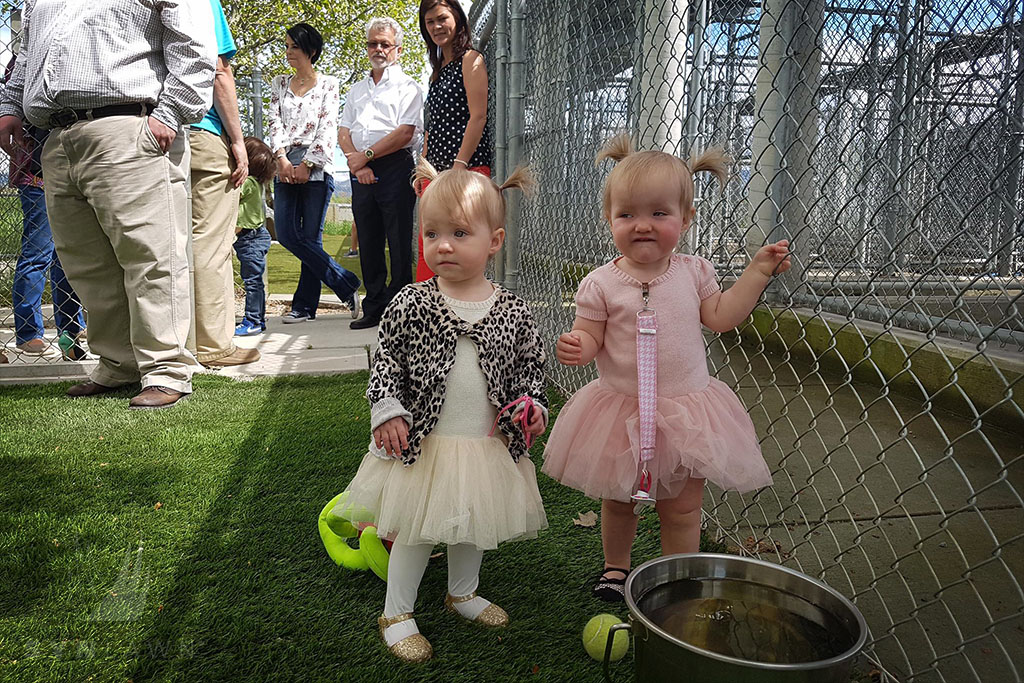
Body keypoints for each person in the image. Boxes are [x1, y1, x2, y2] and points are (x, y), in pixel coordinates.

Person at [542, 134, 790, 601]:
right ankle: (616, 569)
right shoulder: (600, 283)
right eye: (627, 215)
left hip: (685, 414)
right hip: (620, 413)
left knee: (682, 508)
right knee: (619, 503)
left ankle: (680, 574)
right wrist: (579, 344)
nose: (643, 226)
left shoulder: (695, 272)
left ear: (686, 218)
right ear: (608, 219)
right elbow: (591, 335)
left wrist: (755, 274)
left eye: (659, 214)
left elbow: (721, 317)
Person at [340, 159, 547, 663]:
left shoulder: (513, 310)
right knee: (414, 528)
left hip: (484, 445)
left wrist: (532, 404)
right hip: (423, 444)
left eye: (459, 232)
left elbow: (530, 365)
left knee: (473, 519)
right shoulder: (411, 302)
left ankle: (463, 592)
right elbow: (387, 359)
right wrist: (387, 409)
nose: (444, 245)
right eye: (432, 233)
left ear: (494, 241)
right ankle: (397, 611)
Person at [0, 1, 216, 409]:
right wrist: (9, 107)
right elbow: (26, 55)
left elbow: (193, 45)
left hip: (131, 124)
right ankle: (118, 363)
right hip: (58, 134)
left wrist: (169, 114)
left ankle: (167, 369)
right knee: (87, 263)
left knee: (151, 256)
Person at [268, 23, 360, 324]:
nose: (288, 52)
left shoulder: (329, 84)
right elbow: (274, 122)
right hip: (284, 159)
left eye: (294, 46)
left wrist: (308, 164)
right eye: (287, 46)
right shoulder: (279, 83)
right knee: (285, 232)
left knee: (310, 237)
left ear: (311, 51)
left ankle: (303, 307)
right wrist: (281, 160)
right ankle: (344, 283)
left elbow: (327, 126)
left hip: (316, 164)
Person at [339, 17, 422, 330]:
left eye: (385, 44)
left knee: (399, 241)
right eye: (373, 43)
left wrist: (366, 157)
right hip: (359, 168)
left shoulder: (408, 87)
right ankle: (373, 307)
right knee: (369, 240)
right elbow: (344, 129)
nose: (378, 49)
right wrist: (355, 161)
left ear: (397, 50)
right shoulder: (356, 90)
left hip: (394, 167)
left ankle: (401, 311)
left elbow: (404, 133)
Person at [188, 0, 257, 367]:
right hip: (202, 132)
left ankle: (175, 343)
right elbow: (218, 72)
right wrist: (237, 141)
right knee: (211, 243)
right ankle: (213, 345)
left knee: (166, 248)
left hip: (149, 134)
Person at [415, 0, 493, 282]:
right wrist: (421, 169)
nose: (436, 26)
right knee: (430, 248)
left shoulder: (471, 59)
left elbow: (478, 117)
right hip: (434, 174)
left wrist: (459, 166)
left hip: (466, 171)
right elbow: (431, 127)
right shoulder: (436, 72)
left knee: (461, 249)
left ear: (458, 19)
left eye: (442, 18)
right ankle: (427, 316)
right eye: (429, 22)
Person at [8, 121, 86, 360]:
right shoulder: (27, 87)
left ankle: (70, 330)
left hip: (71, 174)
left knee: (66, 256)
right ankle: (28, 332)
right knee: (37, 255)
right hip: (37, 179)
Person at [233, 137, 276, 337]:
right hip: (258, 236)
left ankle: (252, 320)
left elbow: (233, 200)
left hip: (250, 237)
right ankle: (258, 320)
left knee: (252, 282)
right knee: (255, 281)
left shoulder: (247, 183)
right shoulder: (258, 183)